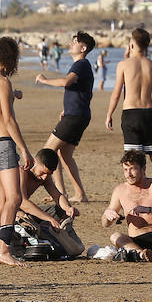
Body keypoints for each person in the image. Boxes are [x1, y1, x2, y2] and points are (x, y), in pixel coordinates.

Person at [0, 37, 33, 267]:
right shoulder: (3, 82)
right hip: (3, 144)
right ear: (11, 58)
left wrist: (12, 95)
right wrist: (24, 149)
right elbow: (8, 120)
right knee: (15, 198)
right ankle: (4, 249)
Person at [34, 31, 95, 203]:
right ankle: (78, 194)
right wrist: (67, 109)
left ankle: (59, 194)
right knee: (65, 156)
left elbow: (67, 82)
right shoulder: (83, 65)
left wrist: (45, 80)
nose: (71, 44)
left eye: (75, 42)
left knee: (47, 152)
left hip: (75, 116)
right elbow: (83, 92)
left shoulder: (81, 64)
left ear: (83, 48)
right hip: (77, 114)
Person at [105, 28, 152, 184]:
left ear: (132, 44)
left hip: (130, 114)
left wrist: (109, 114)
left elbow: (116, 94)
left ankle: (136, 186)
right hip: (147, 113)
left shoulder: (124, 65)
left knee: (132, 156)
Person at [101, 150, 152, 262]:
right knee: (115, 236)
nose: (128, 174)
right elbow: (105, 224)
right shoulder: (120, 190)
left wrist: (149, 210)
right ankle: (143, 255)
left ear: (143, 169)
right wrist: (107, 216)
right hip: (134, 241)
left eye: (133, 169)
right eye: (125, 170)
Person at [19, 149, 79, 228]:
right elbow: (23, 203)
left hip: (25, 211)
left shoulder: (45, 177)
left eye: (49, 174)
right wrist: (48, 218)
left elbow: (57, 195)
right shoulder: (22, 172)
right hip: (11, 212)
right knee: (24, 219)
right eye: (43, 173)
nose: (44, 178)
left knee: (62, 210)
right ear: (34, 162)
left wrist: (68, 208)